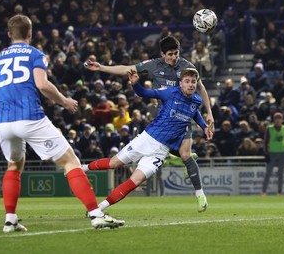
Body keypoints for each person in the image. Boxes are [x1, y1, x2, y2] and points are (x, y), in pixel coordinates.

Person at [0, 14, 124, 232]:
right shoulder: (35, 54)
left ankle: (10, 220)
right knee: (71, 161)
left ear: (8, 35)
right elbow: (42, 84)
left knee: (13, 165)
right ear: (30, 33)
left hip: (4, 122)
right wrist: (65, 101)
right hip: (30, 117)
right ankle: (96, 214)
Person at [85, 35, 214, 200]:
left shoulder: (186, 66)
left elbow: (201, 88)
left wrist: (209, 111)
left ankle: (195, 181)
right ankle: (185, 157)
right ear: (162, 54)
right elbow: (127, 69)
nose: (174, 57)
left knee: (185, 154)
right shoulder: (153, 65)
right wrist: (101, 67)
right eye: (170, 54)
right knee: (178, 151)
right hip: (162, 114)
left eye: (176, 53)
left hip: (182, 114)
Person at [262, 112, 284, 196]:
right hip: (272, 153)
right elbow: (265, 141)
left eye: (279, 119)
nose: (278, 120)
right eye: (276, 119)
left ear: (282, 120)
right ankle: (264, 191)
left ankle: (280, 191)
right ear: (274, 120)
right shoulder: (269, 129)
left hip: (282, 153)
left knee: (280, 174)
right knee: (268, 173)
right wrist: (266, 153)